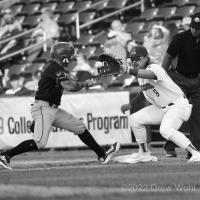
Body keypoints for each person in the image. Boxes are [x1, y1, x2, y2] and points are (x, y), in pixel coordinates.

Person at [0, 42, 120, 170]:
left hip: (52, 109)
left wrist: (84, 83)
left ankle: (102, 154)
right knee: (40, 142)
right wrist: (84, 84)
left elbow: (68, 83)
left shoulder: (56, 67)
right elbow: (69, 86)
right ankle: (5, 156)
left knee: (79, 127)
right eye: (69, 56)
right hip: (43, 108)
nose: (70, 58)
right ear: (63, 56)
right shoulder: (55, 68)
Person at [115, 45, 200, 163]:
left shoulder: (154, 67)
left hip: (178, 105)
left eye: (138, 58)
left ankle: (196, 153)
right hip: (163, 108)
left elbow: (149, 74)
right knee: (135, 119)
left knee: (165, 130)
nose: (134, 61)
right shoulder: (140, 75)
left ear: (145, 57)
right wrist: (131, 104)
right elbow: (144, 90)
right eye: (132, 59)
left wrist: (127, 70)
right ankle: (144, 154)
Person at [162, 12, 200, 159]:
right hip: (180, 80)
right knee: (178, 114)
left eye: (198, 28)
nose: (195, 30)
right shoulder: (180, 38)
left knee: (196, 116)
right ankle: (169, 145)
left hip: (196, 81)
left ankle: (195, 150)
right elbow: (167, 57)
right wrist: (162, 77)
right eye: (193, 27)